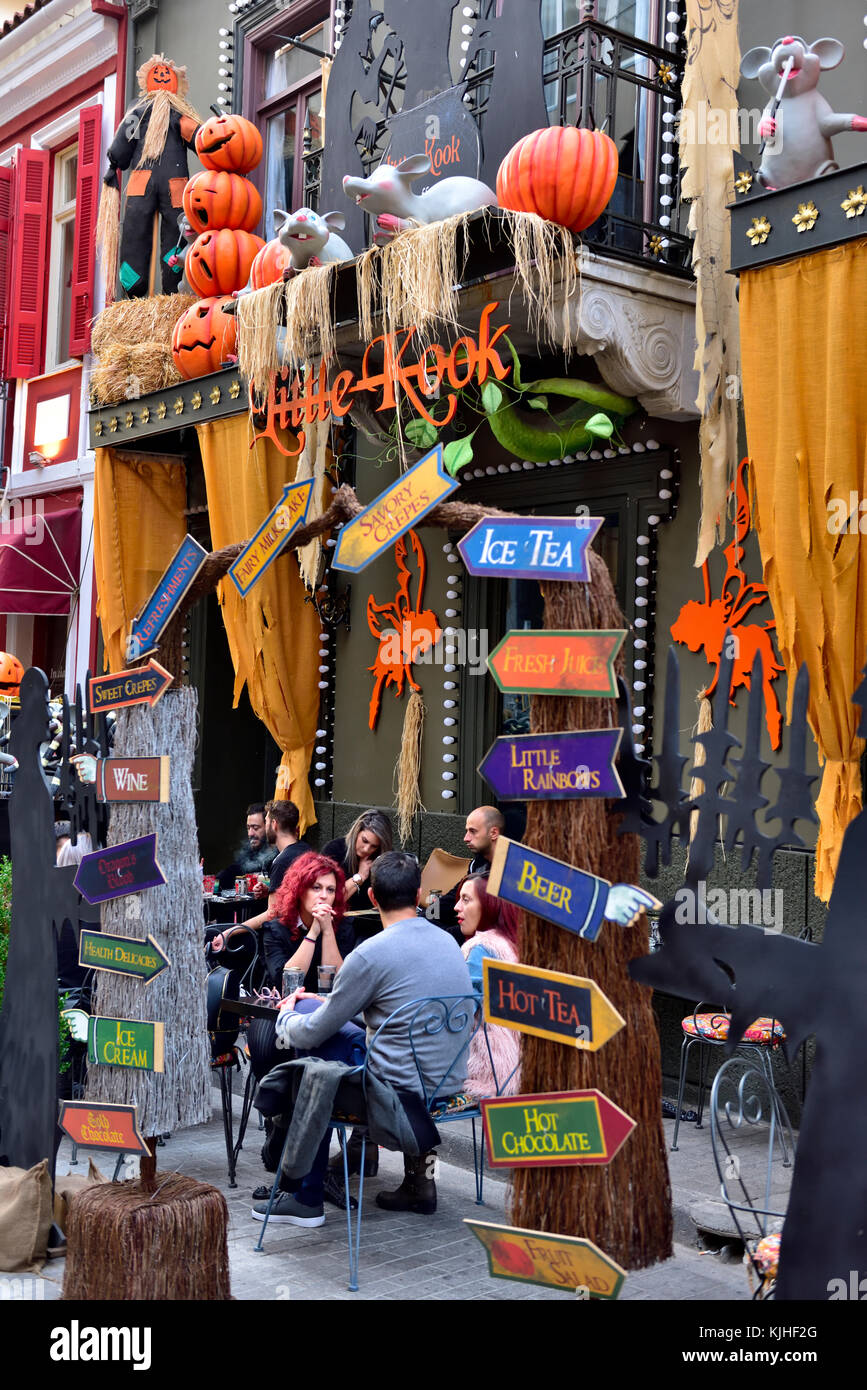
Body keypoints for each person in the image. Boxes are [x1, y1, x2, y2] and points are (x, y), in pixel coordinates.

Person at [251, 850, 473, 1228]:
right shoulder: (448, 943)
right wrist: (326, 1006)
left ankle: (305, 1193)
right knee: (321, 1041)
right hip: (449, 1080)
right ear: (419, 894)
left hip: (395, 1090)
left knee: (314, 1059)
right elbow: (392, 1012)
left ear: (371, 897)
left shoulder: (371, 953)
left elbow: (316, 1030)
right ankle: (309, 1175)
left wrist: (287, 1017)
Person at [455, 873, 521, 1100]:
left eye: (466, 900)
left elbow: (459, 1017)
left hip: (481, 1069)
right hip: (517, 1066)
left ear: (489, 906)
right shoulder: (513, 945)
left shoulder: (480, 949)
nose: (456, 907)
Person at [212, 799, 308, 948]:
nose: (251, 833)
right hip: (303, 936)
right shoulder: (306, 850)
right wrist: (269, 890)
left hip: (285, 941)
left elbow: (272, 913)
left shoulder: (281, 861)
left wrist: (229, 932)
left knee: (213, 935)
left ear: (274, 825)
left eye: (267, 822)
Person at [263, 851, 354, 993]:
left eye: (330, 890)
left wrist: (327, 930)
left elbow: (337, 985)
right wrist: (314, 932)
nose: (324, 896)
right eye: (316, 888)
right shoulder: (276, 929)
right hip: (288, 1008)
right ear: (299, 890)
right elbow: (286, 984)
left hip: (326, 1008)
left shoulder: (343, 926)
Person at [321, 809, 393, 908]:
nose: (366, 849)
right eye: (364, 841)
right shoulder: (334, 850)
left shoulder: (384, 858)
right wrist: (360, 876)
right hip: (340, 917)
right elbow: (328, 900)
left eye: (374, 846)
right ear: (357, 831)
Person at [216, 802, 276, 894]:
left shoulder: (278, 857)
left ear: (268, 826)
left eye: (255, 828)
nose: (250, 834)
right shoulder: (248, 854)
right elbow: (228, 874)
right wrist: (211, 883)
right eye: (248, 828)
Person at [462, 805, 505, 875]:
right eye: (467, 831)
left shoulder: (511, 868)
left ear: (494, 833)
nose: (466, 839)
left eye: (473, 831)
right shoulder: (476, 864)